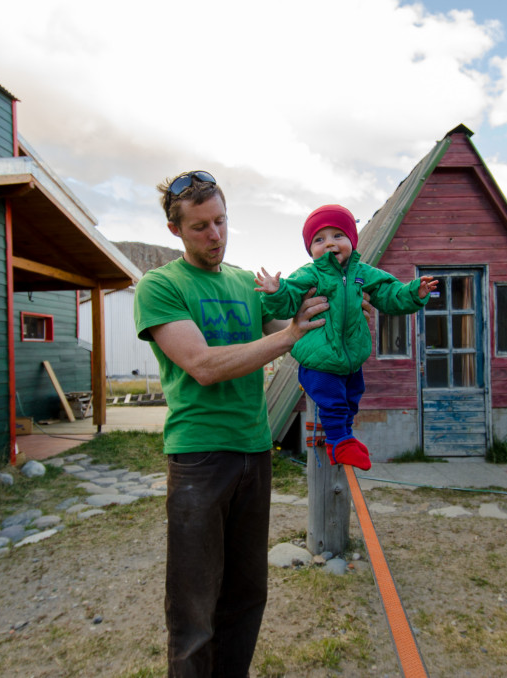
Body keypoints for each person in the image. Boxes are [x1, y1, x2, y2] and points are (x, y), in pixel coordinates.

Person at [133, 170, 327, 677]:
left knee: (246, 594)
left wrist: (340, 309)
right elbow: (203, 365)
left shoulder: (247, 282)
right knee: (194, 606)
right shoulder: (160, 286)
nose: (215, 235)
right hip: (198, 458)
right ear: (175, 230)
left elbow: (296, 331)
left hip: (254, 451)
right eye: (200, 226)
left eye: (221, 221)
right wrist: (286, 340)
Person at [255, 204, 438, 470]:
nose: (329, 244)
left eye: (337, 236)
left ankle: (344, 439)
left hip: (351, 358)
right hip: (318, 359)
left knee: (353, 397)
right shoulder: (311, 273)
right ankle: (339, 441)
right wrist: (276, 291)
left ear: (352, 240)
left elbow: (389, 293)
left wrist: (413, 293)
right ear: (310, 249)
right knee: (333, 401)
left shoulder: (363, 274)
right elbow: (289, 298)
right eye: (319, 239)